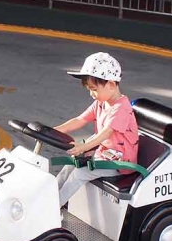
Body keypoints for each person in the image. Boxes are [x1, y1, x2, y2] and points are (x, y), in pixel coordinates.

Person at [53, 52, 139, 209]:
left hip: (119, 163)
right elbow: (80, 120)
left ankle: (52, 209)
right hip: (103, 156)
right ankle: (49, 198)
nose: (91, 94)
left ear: (111, 85)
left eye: (94, 89)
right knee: (70, 165)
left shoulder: (121, 108)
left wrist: (83, 147)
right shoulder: (101, 102)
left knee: (81, 173)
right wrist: (55, 131)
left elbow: (106, 132)